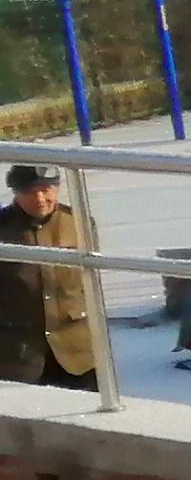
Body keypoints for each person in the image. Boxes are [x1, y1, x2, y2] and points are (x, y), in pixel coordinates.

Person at [0, 165, 101, 392]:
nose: (40, 198)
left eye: (46, 189)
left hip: (77, 354)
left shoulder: (78, 223)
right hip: (17, 356)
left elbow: (91, 284)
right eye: (30, 191)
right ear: (15, 192)